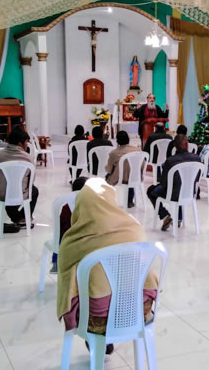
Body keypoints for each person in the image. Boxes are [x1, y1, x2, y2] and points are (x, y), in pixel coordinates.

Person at [56, 178, 159, 354]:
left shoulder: (73, 242)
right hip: (137, 310)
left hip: (97, 318)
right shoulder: (135, 230)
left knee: (83, 286)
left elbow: (68, 289)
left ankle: (99, 339)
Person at [146, 135, 201, 231]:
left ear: (174, 146)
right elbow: (197, 178)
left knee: (151, 191)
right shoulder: (196, 158)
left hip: (173, 194)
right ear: (187, 144)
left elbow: (163, 182)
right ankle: (178, 219)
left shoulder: (170, 161)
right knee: (179, 187)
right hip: (190, 192)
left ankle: (165, 216)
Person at [0, 128, 39, 229]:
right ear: (20, 143)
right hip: (20, 193)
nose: (27, 145)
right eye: (26, 142)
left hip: (0, 194)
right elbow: (31, 181)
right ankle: (23, 218)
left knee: (6, 190)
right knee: (33, 190)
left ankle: (18, 218)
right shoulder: (28, 158)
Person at [50, 176, 90, 273]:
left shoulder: (66, 206)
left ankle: (56, 262)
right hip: (82, 245)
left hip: (63, 245)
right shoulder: (91, 207)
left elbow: (61, 227)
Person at [105, 131, 142, 207]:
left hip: (121, 178)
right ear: (128, 139)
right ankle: (129, 200)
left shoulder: (114, 153)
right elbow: (142, 165)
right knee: (130, 172)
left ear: (117, 141)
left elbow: (109, 169)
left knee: (108, 176)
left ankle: (107, 200)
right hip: (136, 176)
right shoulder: (138, 150)